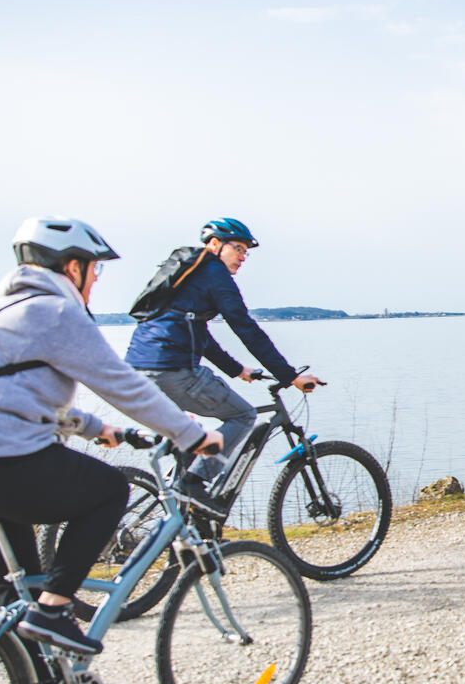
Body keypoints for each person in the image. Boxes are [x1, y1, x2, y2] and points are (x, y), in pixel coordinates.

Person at [0, 217, 220, 656]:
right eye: (95, 268)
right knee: (110, 490)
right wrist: (190, 434)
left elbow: (14, 398)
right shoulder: (54, 310)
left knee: (21, 600)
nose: (96, 278)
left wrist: (97, 428)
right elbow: (121, 383)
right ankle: (56, 612)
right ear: (71, 266)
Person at [124, 217, 320, 508]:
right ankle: (194, 483)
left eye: (245, 252)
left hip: (136, 371)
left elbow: (198, 332)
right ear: (214, 244)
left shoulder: (188, 274)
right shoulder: (215, 274)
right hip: (172, 369)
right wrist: (289, 376)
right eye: (238, 249)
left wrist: (237, 370)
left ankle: (179, 519)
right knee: (242, 416)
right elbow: (245, 328)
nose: (242, 257)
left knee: (190, 442)